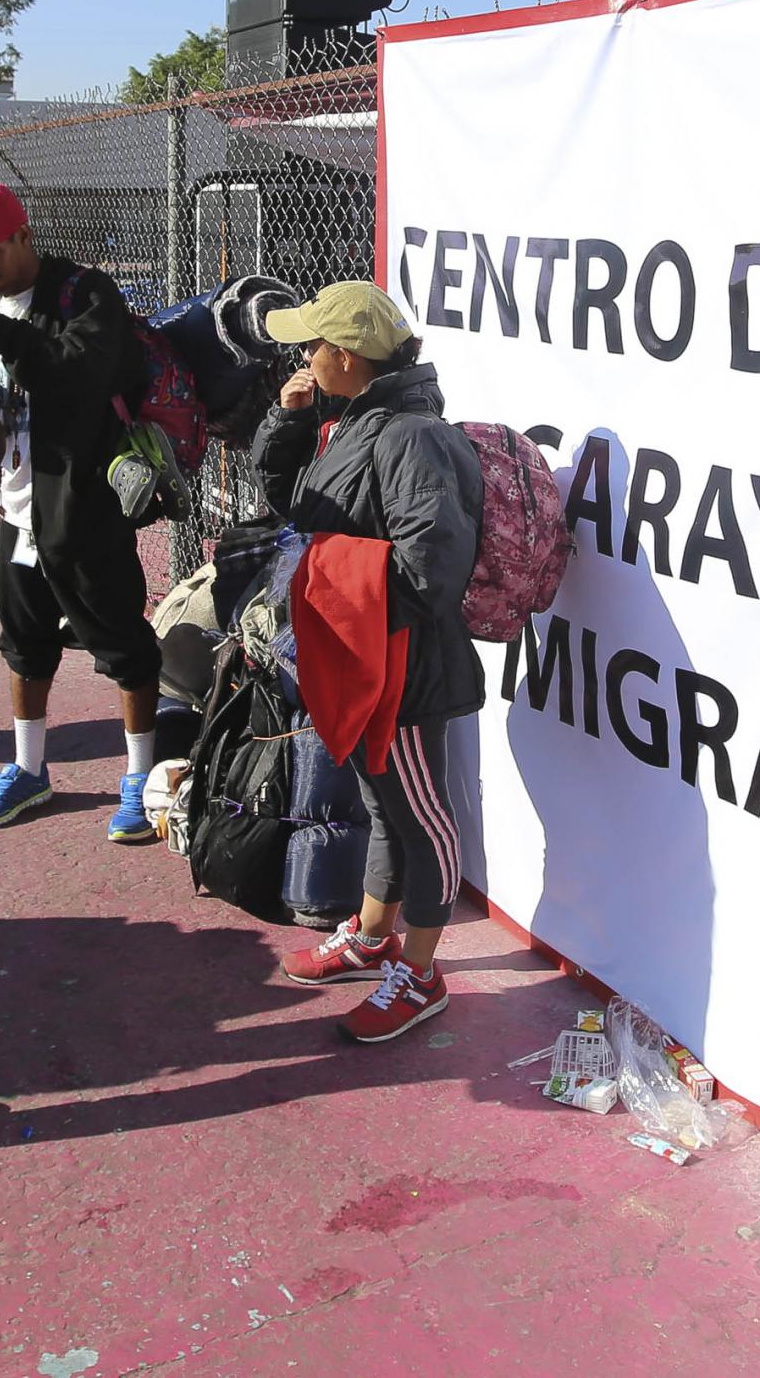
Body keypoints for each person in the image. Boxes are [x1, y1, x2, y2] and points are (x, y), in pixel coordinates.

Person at [251, 281, 485, 1045]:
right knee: (383, 805)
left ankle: (420, 972)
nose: (303, 355)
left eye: (311, 345)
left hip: (406, 670)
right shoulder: (353, 419)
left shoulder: (410, 435)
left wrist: (328, 568)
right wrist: (288, 424)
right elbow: (303, 510)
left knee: (422, 817)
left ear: (344, 356)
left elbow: (432, 566)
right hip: (362, 658)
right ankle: (374, 935)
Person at [0, 180, 166, 836]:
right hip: (15, 510)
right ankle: (28, 767)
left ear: (23, 235)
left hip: (84, 504)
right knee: (24, 646)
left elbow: (75, 372)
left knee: (123, 645)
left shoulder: (82, 292)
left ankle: (140, 777)